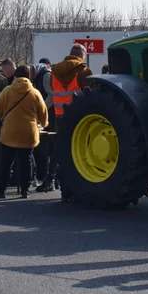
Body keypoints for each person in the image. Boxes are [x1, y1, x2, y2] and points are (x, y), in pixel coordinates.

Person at [0, 65, 48, 199]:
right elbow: (43, 114)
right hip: (28, 133)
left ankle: (1, 190)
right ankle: (25, 190)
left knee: (6, 162)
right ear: (29, 76)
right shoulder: (35, 93)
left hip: (9, 132)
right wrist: (42, 124)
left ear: (16, 75)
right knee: (26, 162)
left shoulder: (7, 91)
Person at [51, 44, 93, 200]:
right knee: (80, 155)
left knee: (63, 154)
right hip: (78, 119)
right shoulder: (83, 71)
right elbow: (90, 93)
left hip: (59, 117)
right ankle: (79, 189)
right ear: (81, 56)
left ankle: (64, 192)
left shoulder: (54, 71)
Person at [31, 60, 55, 192]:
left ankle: (50, 180)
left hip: (51, 116)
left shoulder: (45, 76)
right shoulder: (38, 76)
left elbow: (51, 95)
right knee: (47, 150)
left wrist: (42, 109)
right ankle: (49, 179)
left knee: (51, 149)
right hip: (47, 116)